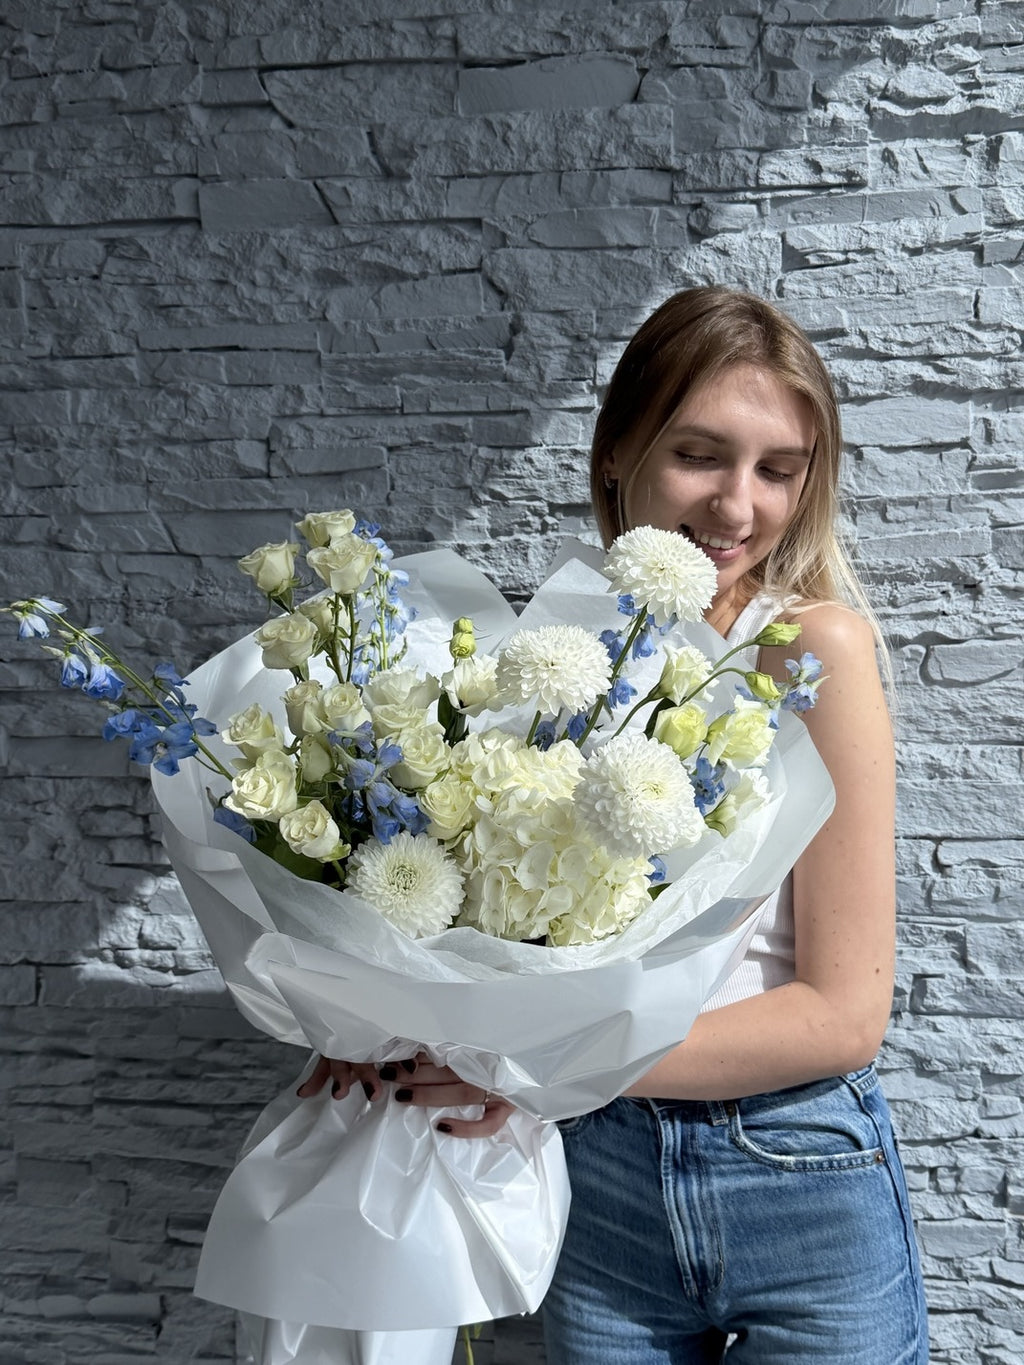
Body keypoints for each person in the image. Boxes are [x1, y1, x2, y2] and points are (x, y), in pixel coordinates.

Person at [299, 286, 928, 1362]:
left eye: (778, 470)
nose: (738, 505)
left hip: (794, 1175)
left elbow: (840, 1019)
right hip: (593, 1181)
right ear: (615, 456)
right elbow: (494, 934)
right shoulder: (551, 663)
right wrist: (377, 1027)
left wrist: (531, 1062)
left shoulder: (807, 649)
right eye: (699, 455)